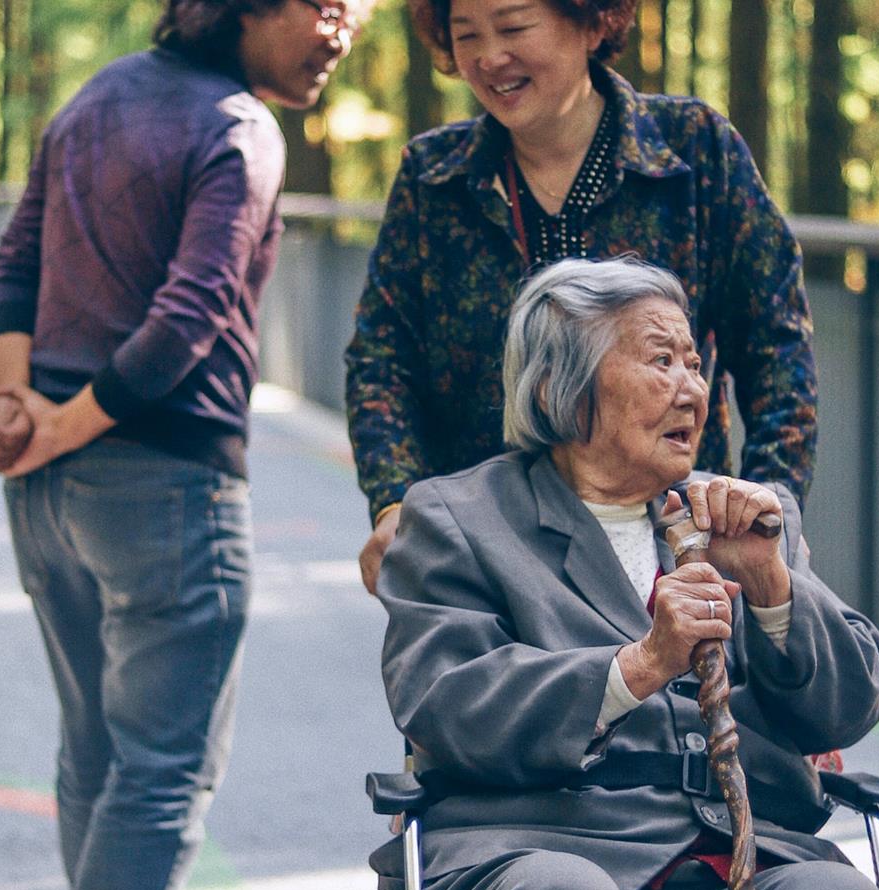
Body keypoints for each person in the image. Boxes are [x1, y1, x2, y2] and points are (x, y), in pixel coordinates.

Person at [375, 257, 879, 890]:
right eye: (661, 361)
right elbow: (444, 701)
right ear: (566, 386)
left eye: (696, 364)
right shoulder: (457, 519)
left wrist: (769, 583)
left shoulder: (746, 520)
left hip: (723, 884)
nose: (693, 389)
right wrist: (636, 668)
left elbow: (853, 702)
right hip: (529, 866)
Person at [0, 1, 365, 890]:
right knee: (166, 763)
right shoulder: (238, 127)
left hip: (48, 492)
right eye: (325, 7)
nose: (344, 31)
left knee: (96, 747)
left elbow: (11, 268)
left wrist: (19, 403)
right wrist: (61, 425)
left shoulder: (89, 100)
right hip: (163, 481)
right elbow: (188, 317)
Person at [346, 0, 817, 594]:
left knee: (675, 684)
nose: (491, 57)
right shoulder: (432, 178)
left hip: (674, 547)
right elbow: (382, 363)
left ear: (594, 22)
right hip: (487, 555)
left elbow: (776, 345)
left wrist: (771, 504)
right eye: (467, 36)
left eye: (514, 26)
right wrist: (395, 503)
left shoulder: (695, 151)